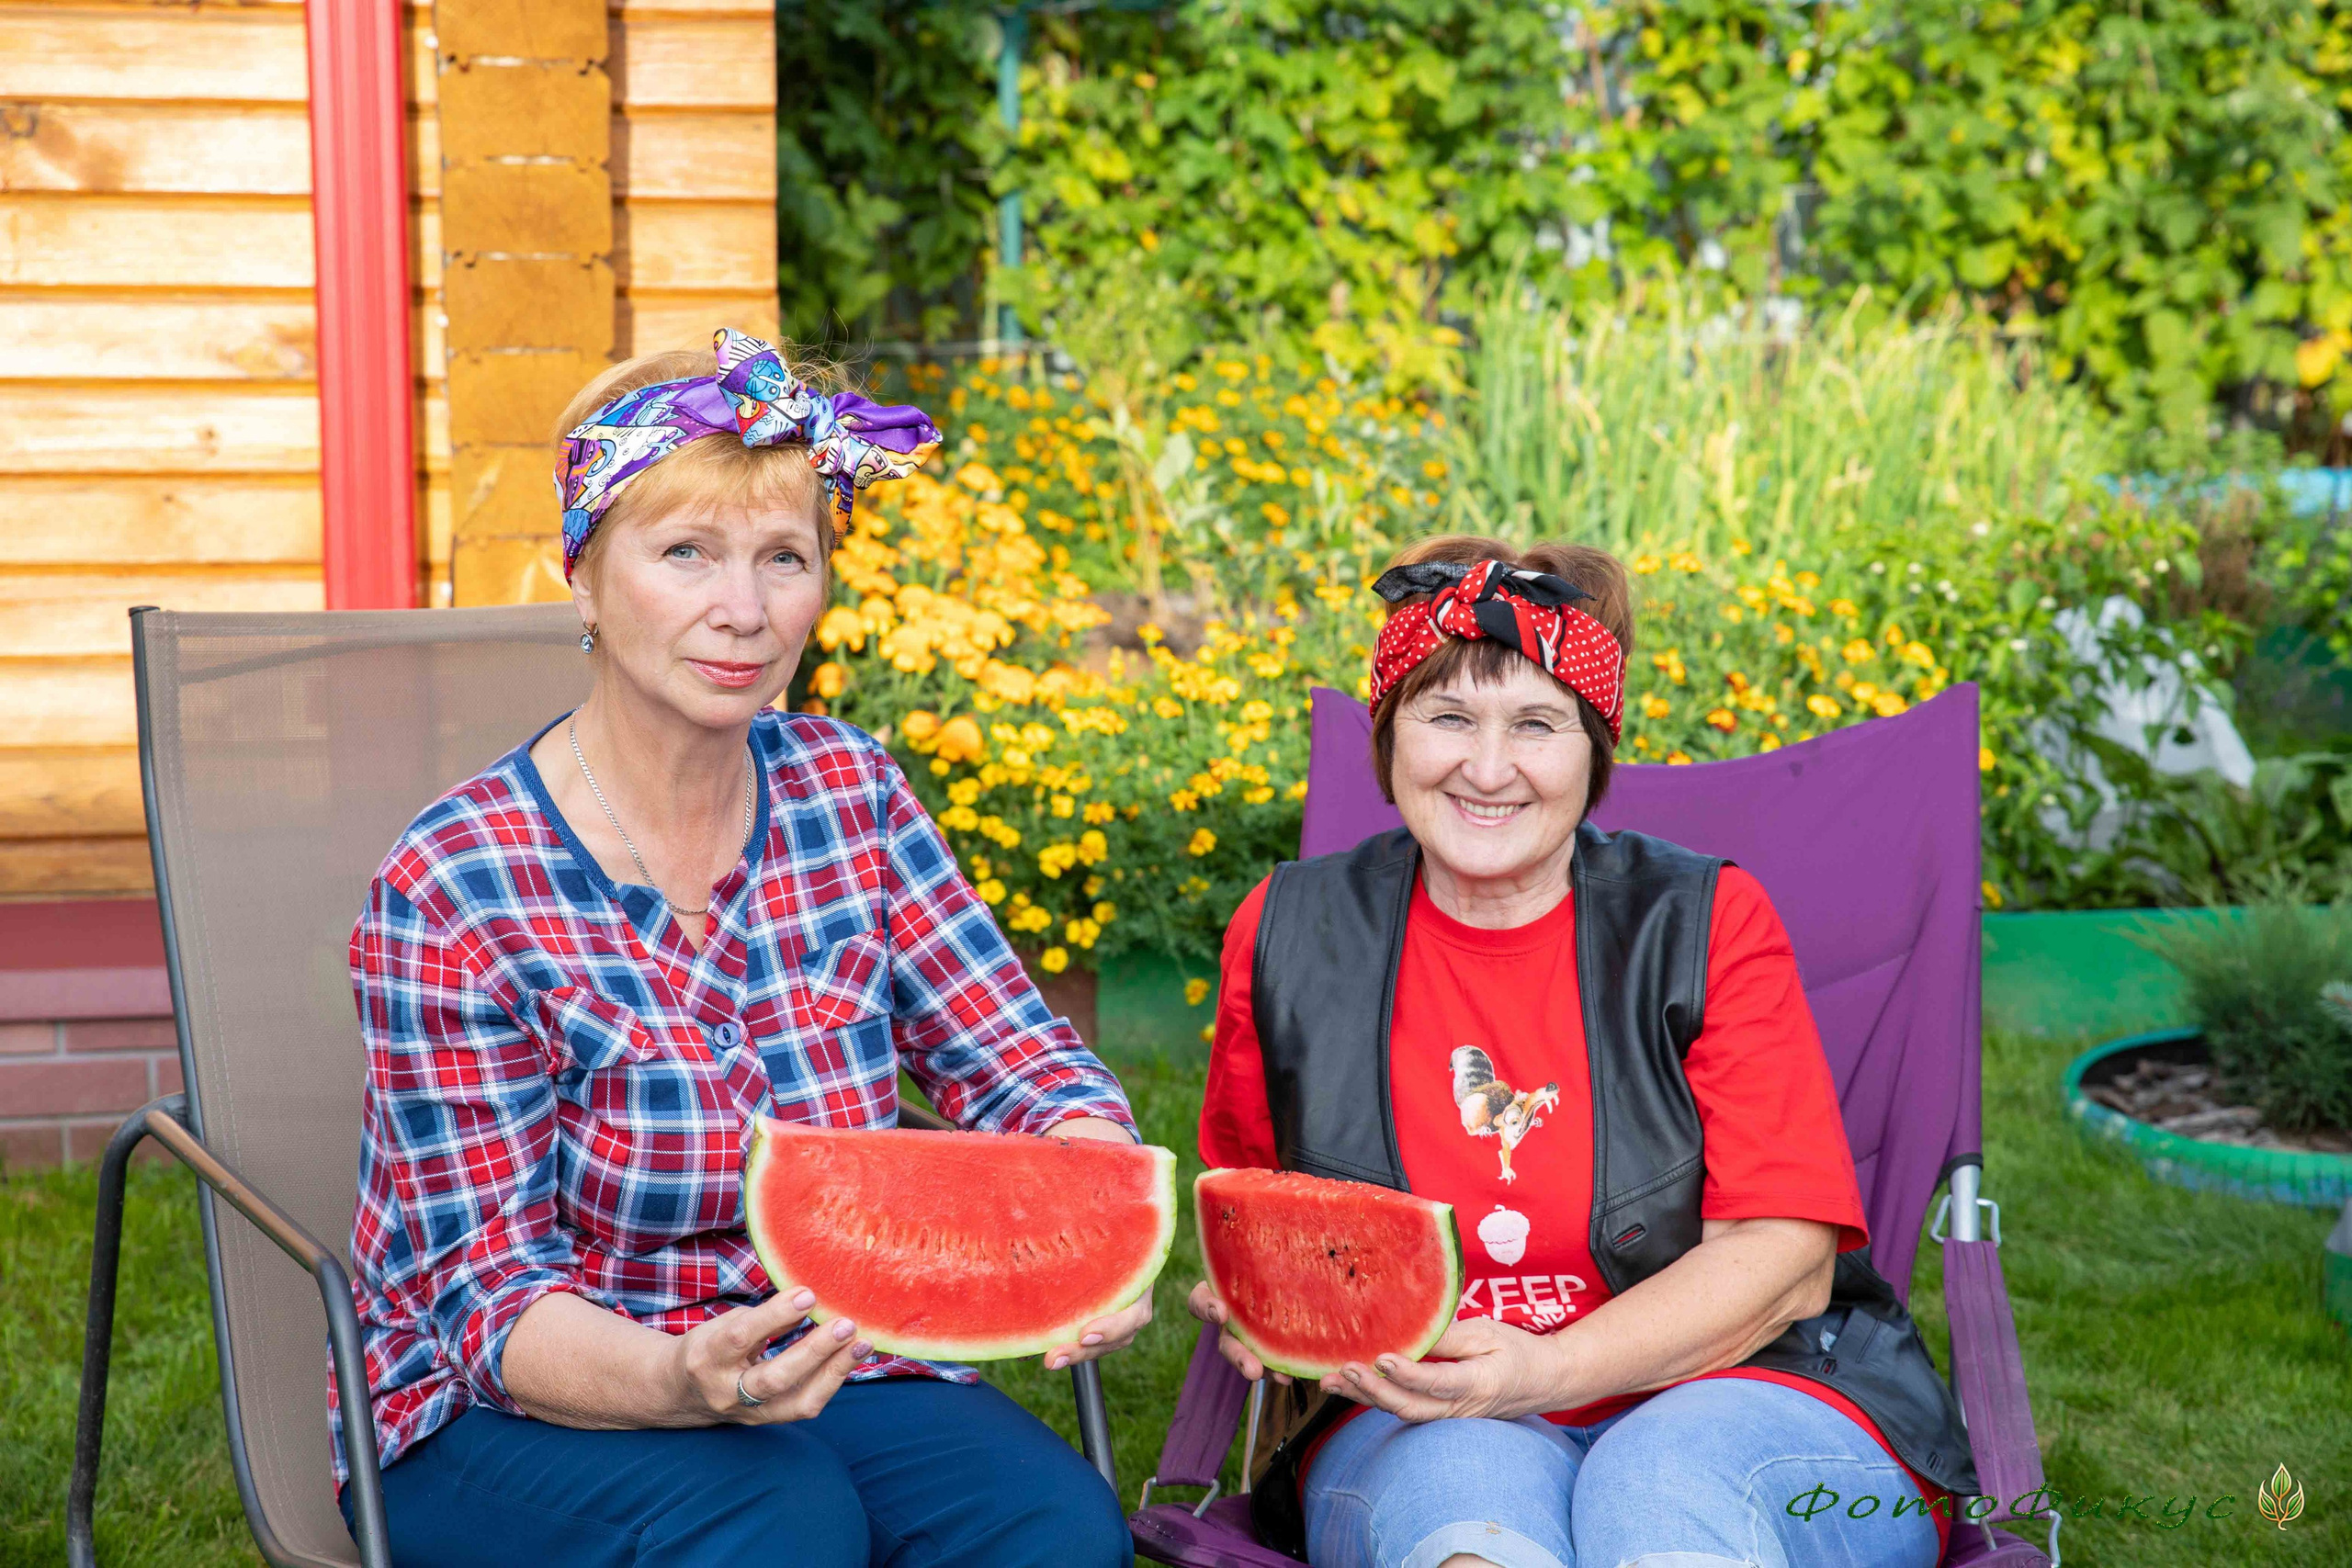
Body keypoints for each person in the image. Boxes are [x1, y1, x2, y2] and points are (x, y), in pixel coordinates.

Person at [337, 328, 1143, 1568]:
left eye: (785, 557)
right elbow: (487, 1298)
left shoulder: (849, 790)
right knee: (782, 1524)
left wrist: (1098, 1198)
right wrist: (679, 1375)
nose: (745, 611)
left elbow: (1020, 1059)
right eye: (686, 554)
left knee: (1058, 1525)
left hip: (835, 1350)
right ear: (585, 575)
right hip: (518, 1392)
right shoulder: (453, 884)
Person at [1189, 536, 1978, 1568]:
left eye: (1534, 724)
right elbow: (1254, 1202)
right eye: (1444, 717)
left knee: (1655, 1500)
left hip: (1761, 1389)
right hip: (1422, 1411)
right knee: (1468, 1530)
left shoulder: (1706, 921)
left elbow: (1783, 1266)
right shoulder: (1287, 929)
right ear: (1387, 739)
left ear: (1592, 749)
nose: (1485, 767)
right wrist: (1264, 1297)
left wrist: (1540, 1372)